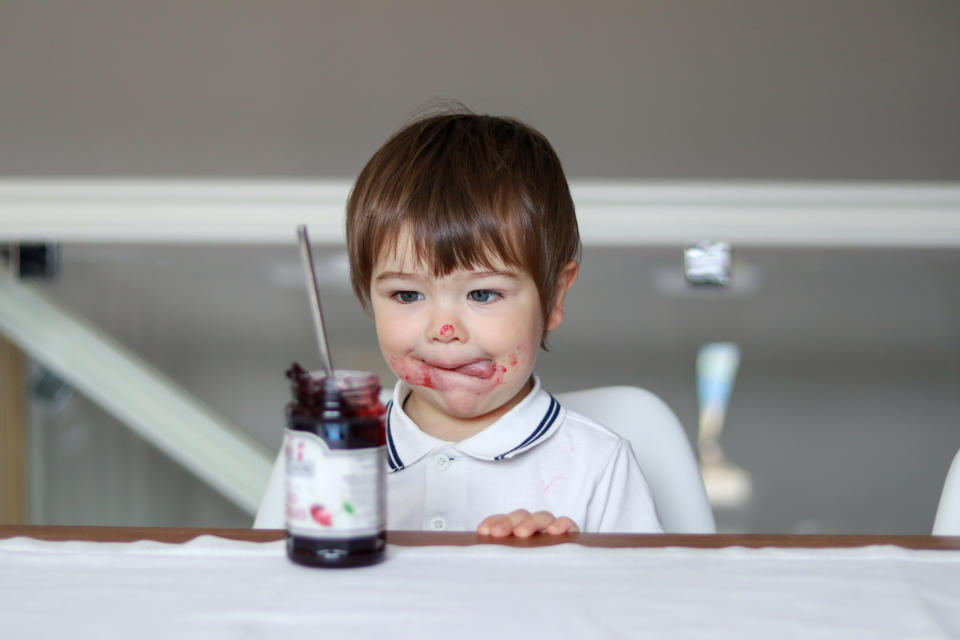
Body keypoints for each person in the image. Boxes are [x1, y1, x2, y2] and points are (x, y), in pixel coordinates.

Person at [346, 109, 663, 537]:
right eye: (407, 295)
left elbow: (644, 602)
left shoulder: (598, 466)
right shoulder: (330, 457)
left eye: (482, 294)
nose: (444, 329)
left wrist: (564, 572)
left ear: (554, 297)